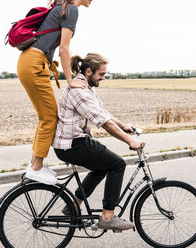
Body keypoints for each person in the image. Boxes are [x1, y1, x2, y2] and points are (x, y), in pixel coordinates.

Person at [17, 0, 98, 185]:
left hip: (31, 61)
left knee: (47, 116)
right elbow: (64, 48)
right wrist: (70, 80)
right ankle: (36, 168)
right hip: (35, 63)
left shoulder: (63, 7)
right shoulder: (72, 10)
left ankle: (36, 165)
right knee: (50, 118)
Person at [52, 53, 144, 231]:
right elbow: (103, 122)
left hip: (74, 142)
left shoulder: (85, 86)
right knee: (117, 164)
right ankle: (107, 217)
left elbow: (101, 111)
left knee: (102, 167)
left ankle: (73, 205)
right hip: (72, 144)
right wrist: (130, 141)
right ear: (88, 71)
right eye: (101, 74)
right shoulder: (79, 91)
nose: (103, 78)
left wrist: (123, 125)